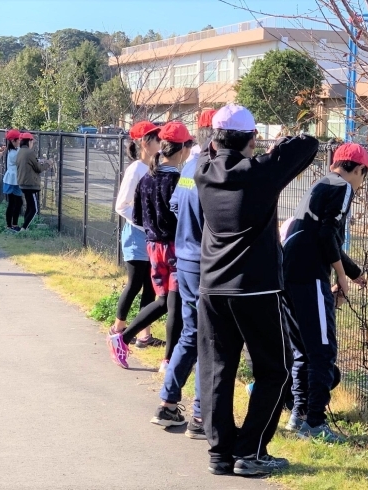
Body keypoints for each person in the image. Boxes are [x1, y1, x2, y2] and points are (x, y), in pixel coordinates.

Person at [194, 104, 318, 477]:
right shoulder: (260, 171)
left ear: (215, 141)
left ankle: (220, 454)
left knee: (217, 371)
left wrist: (233, 143)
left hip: (212, 287)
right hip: (256, 289)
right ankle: (250, 450)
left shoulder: (202, 171)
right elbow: (308, 145)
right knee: (275, 370)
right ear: (251, 139)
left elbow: (209, 149)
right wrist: (274, 144)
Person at [282, 142, 368, 443]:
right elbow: (327, 234)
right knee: (322, 351)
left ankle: (299, 416)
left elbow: (321, 236)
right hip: (309, 276)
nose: (360, 183)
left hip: (290, 273)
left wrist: (354, 272)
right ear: (358, 170)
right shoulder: (343, 188)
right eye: (362, 176)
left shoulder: (320, 183)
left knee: (303, 351)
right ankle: (315, 423)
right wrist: (342, 278)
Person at [150, 109, 216, 437]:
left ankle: (167, 404)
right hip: (209, 265)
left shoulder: (190, 166)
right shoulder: (213, 168)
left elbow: (176, 206)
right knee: (209, 338)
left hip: (186, 260)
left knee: (191, 333)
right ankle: (202, 417)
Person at [107, 121, 192, 372]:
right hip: (175, 248)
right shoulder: (181, 179)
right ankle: (167, 360)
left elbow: (139, 217)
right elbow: (188, 211)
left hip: (153, 247)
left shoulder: (147, 177)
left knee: (166, 300)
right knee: (173, 303)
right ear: (183, 149)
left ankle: (122, 338)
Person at [110, 121, 163, 349]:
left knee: (150, 286)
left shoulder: (154, 167)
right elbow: (121, 206)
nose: (161, 143)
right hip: (136, 235)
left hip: (151, 236)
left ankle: (144, 334)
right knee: (135, 284)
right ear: (145, 142)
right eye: (157, 139)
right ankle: (118, 329)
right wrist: (146, 223)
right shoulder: (136, 170)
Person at [16, 132, 49, 230]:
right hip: (29, 184)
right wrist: (48, 164)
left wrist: (39, 161)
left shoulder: (20, 151)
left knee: (29, 207)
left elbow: (31, 163)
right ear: (29, 141)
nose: (32, 144)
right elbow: (38, 168)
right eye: (32, 142)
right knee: (34, 209)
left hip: (22, 182)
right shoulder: (30, 152)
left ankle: (25, 227)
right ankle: (24, 229)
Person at [3, 129, 23, 231]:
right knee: (13, 203)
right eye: (18, 140)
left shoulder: (14, 150)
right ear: (13, 141)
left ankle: (13, 224)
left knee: (17, 202)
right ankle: (10, 225)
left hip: (14, 179)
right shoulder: (14, 153)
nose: (20, 141)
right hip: (12, 179)